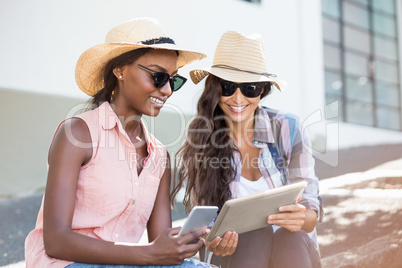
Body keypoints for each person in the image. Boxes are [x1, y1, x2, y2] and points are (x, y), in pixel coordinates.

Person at [24, 17, 217, 268]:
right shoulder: (78, 134)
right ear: (120, 70)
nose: (167, 90)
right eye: (159, 77)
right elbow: (56, 241)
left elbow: (161, 246)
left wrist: (188, 243)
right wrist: (148, 254)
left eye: (173, 80)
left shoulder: (159, 156)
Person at [172, 31, 323, 268]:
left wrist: (301, 217)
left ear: (262, 91)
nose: (238, 98)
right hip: (234, 255)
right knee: (254, 234)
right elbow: (203, 224)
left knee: (289, 236)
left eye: (250, 88)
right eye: (228, 86)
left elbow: (312, 213)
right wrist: (212, 239)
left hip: (291, 249)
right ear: (215, 88)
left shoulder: (288, 128)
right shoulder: (201, 138)